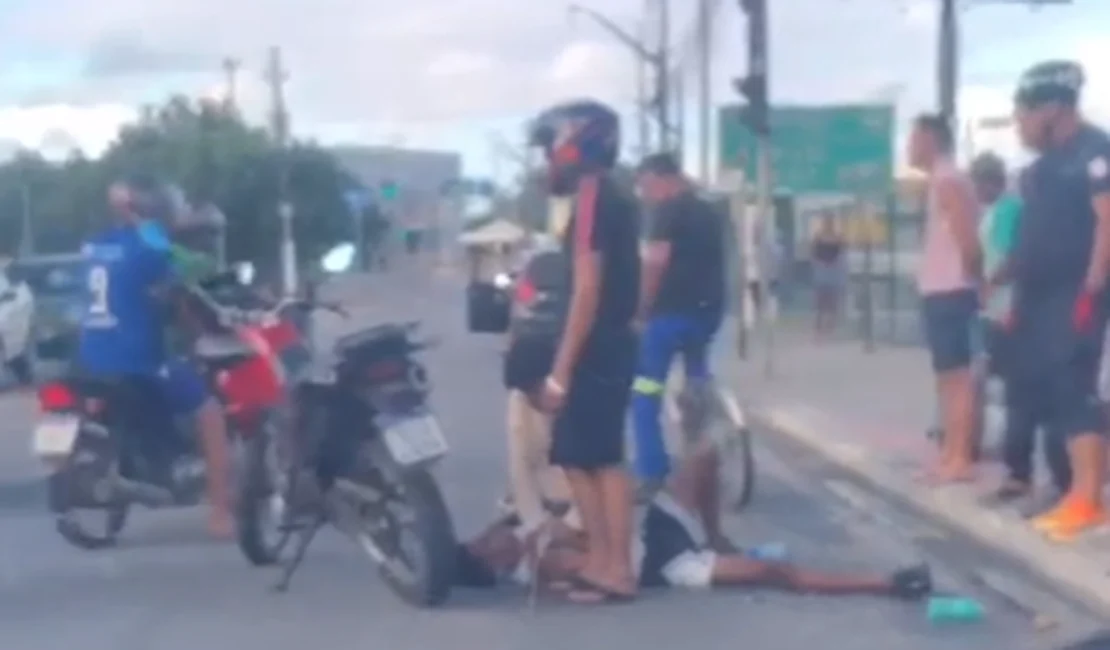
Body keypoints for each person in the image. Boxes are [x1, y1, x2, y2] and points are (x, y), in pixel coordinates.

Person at [454, 431, 933, 602]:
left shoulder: (515, 532)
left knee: (703, 456)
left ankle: (717, 535)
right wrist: (563, 536)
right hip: (664, 562)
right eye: (488, 547)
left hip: (656, 525)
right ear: (494, 567)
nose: (497, 539)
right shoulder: (536, 567)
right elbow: (595, 558)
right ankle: (886, 582)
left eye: (486, 538)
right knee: (773, 572)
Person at [985, 61, 1110, 541]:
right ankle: (1066, 489)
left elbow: (1106, 223)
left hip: (1074, 294)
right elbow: (1029, 238)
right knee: (1046, 393)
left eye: (1024, 114)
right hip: (1036, 297)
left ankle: (1088, 499)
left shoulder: (1094, 154)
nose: (1020, 124)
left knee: (1077, 394)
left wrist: (1092, 287)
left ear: (1054, 108)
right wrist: (1000, 281)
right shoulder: (1037, 170)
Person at [528, 100, 641, 603]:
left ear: (576, 143)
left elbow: (587, 289)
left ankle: (614, 568)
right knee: (581, 457)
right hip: (611, 342)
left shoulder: (595, 197)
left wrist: (560, 371)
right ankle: (603, 562)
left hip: (595, 346)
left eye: (551, 147)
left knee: (597, 459)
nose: (548, 159)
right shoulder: (612, 196)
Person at [78, 176, 232, 538]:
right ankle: (220, 513)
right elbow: (180, 294)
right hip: (138, 359)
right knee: (211, 414)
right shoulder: (151, 245)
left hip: (89, 357)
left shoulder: (97, 245)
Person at [972, 152, 1072, 507]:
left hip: (1015, 312)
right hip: (1011, 312)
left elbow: (1013, 258)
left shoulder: (1014, 209)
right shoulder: (1014, 210)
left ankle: (1030, 475)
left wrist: (992, 288)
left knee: (1025, 397)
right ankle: (1028, 474)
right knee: (1022, 396)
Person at [630, 152, 726, 493]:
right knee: (697, 384)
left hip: (668, 316)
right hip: (707, 314)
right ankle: (703, 458)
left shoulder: (667, 212)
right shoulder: (711, 213)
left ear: (661, 179)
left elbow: (655, 265)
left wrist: (641, 309)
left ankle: (653, 471)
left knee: (646, 391)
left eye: (646, 186)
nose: (646, 194)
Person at [908, 113, 983, 484]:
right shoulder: (941, 180)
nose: (908, 146)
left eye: (914, 138)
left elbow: (968, 238)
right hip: (941, 288)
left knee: (957, 378)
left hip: (951, 288)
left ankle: (961, 457)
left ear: (931, 139)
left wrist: (974, 279)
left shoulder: (948, 180)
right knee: (947, 377)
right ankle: (952, 453)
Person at [810, 214, 846, 339]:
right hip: (823, 269)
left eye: (829, 223)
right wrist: (818, 263)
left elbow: (841, 251)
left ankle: (830, 323)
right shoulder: (819, 237)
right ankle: (819, 324)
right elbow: (814, 252)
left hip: (832, 269)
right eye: (826, 223)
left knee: (832, 298)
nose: (828, 225)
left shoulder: (837, 238)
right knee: (821, 298)